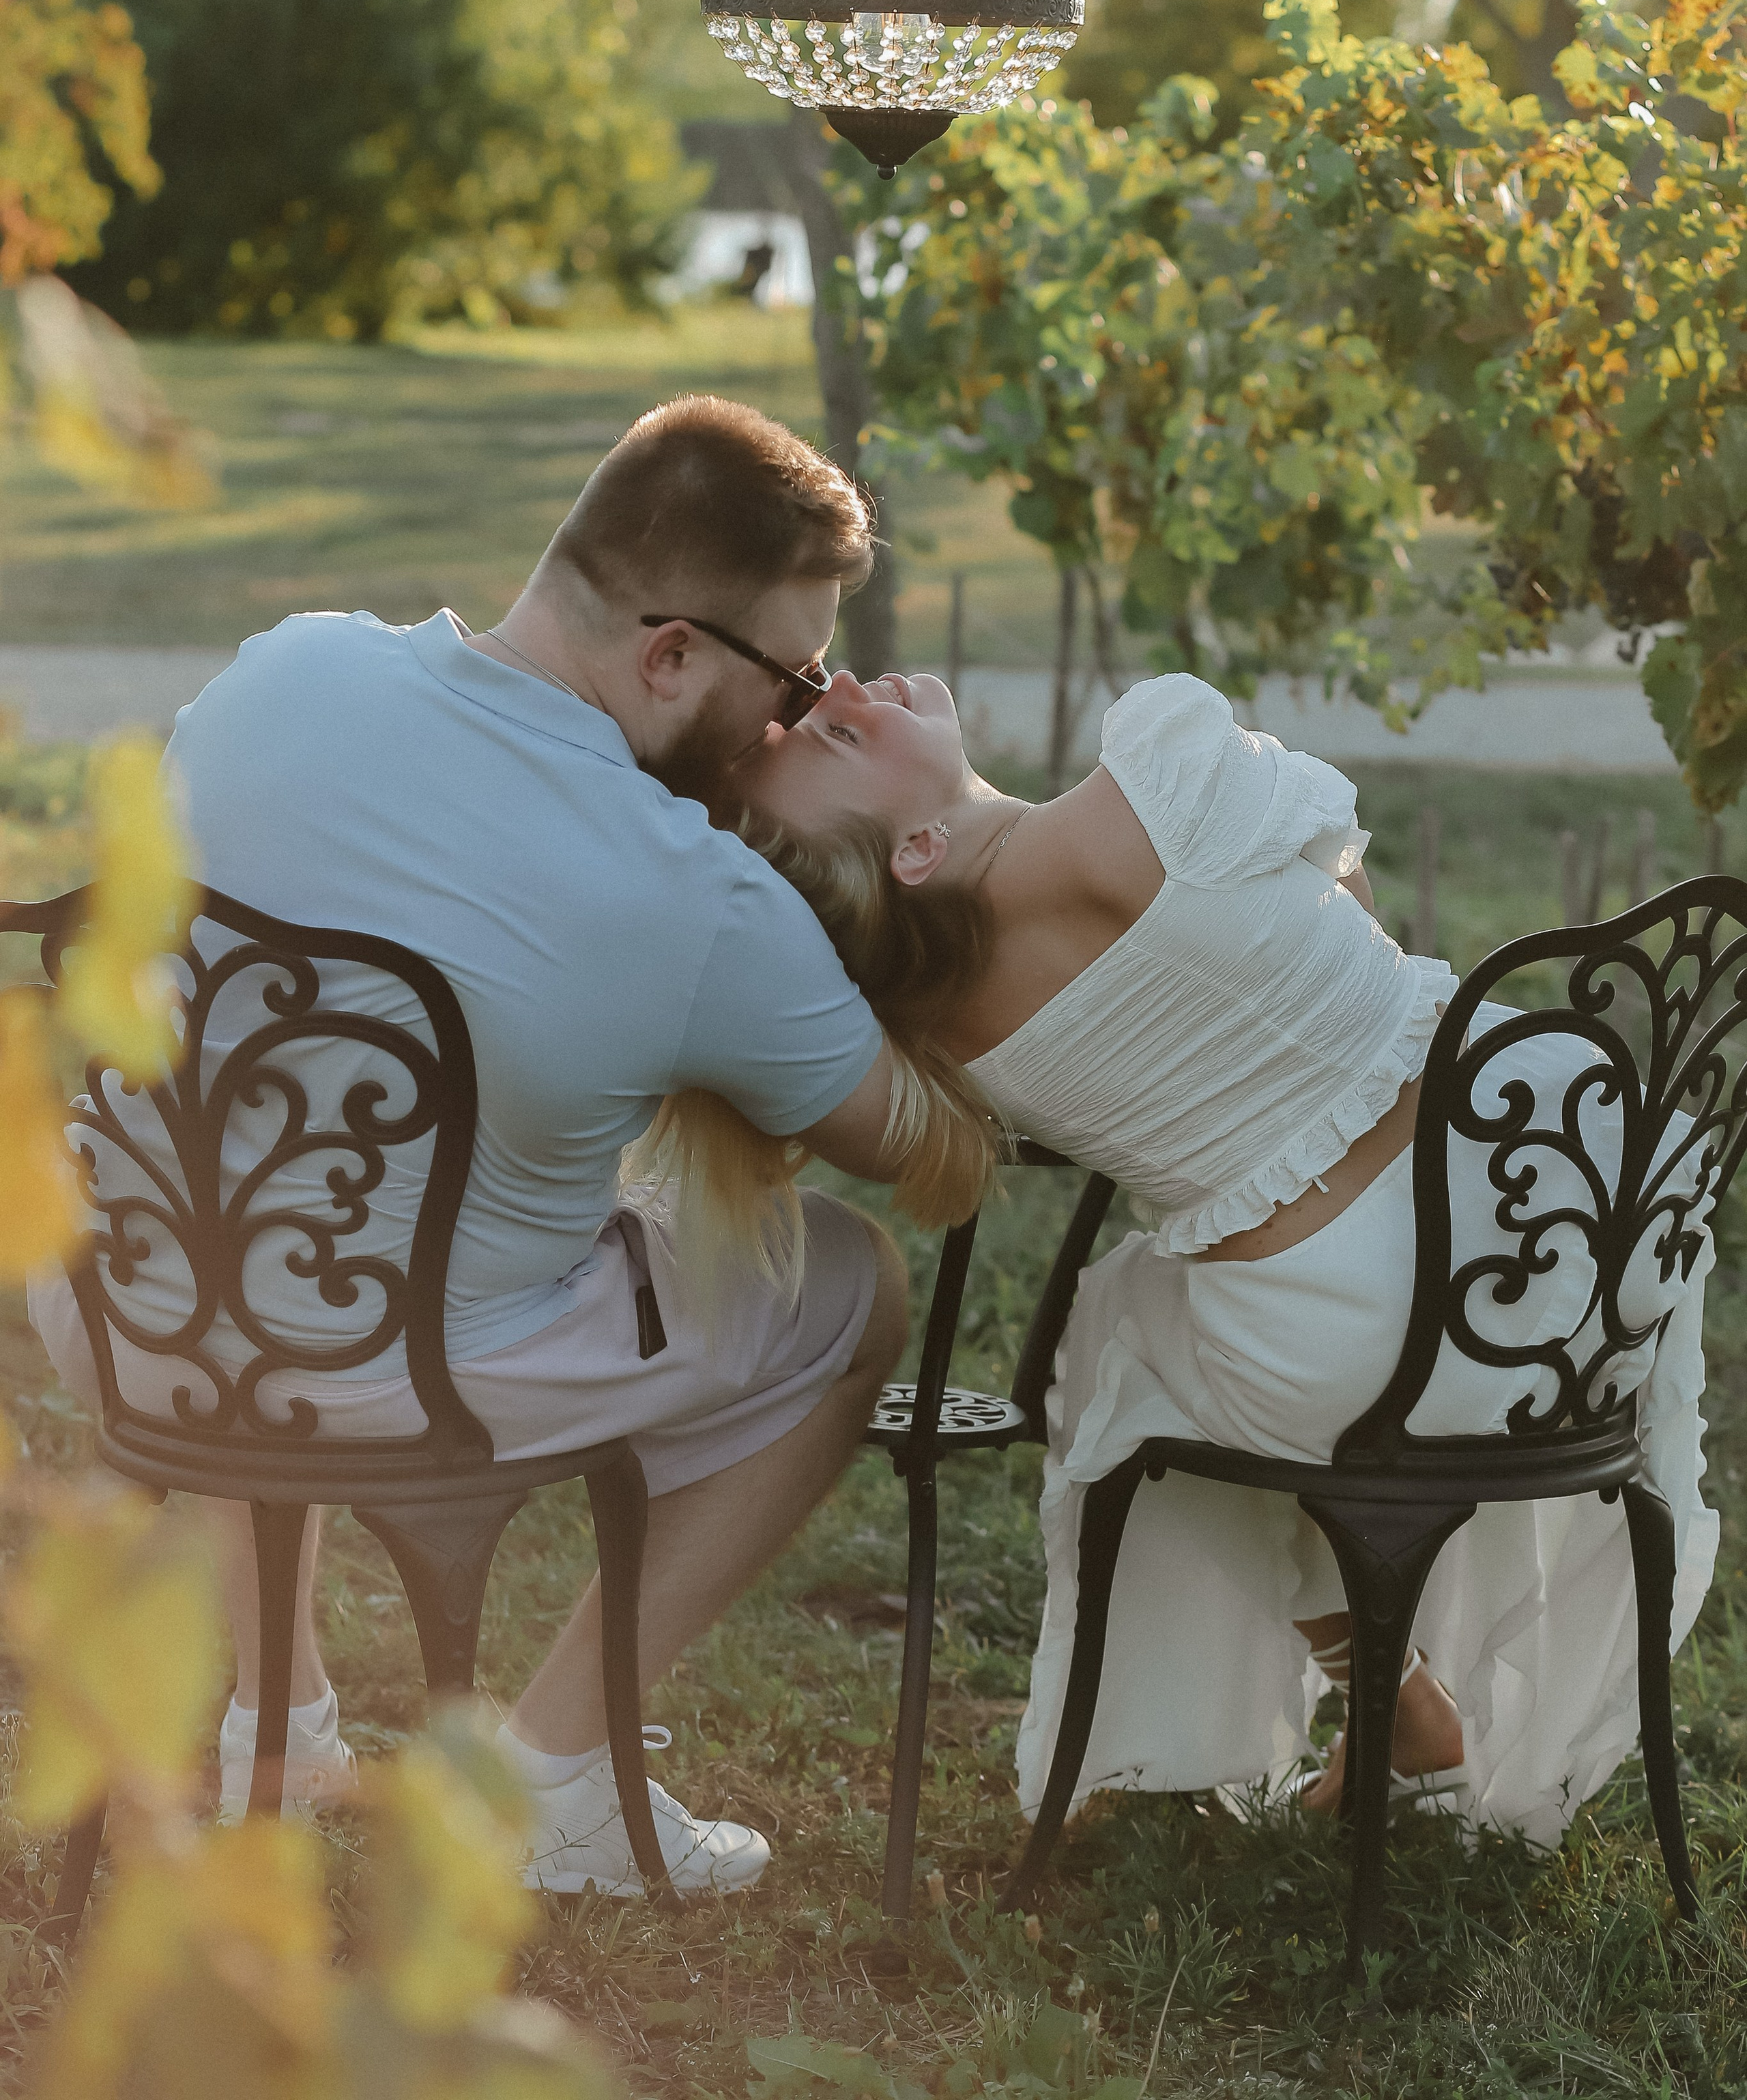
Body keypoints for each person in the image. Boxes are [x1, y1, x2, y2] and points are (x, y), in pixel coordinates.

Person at [28, 397, 974, 1899]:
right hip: (402, 1380)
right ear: (670, 655)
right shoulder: (686, 897)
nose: (794, 718)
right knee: (853, 1290)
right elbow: (921, 1156)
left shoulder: (283, 669)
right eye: (789, 679)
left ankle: (264, 1730)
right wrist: (940, 818)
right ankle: (552, 1785)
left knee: (278, 1201)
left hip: (120, 1307)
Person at [724, 664, 1718, 1845]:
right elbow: (1346, 878)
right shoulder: (1151, 771)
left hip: (1346, 1357)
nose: (847, 682)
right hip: (1578, 1231)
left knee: (1119, 1357)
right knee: (1135, 1331)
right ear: (919, 850)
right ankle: (1398, 1708)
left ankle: (1388, 1700)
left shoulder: (926, 1036)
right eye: (838, 735)